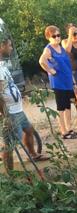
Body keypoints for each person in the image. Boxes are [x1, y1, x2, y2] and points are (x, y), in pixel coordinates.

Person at [0, 38, 47, 172]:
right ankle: (10, 174)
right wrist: (5, 113)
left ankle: (32, 154)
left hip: (18, 109)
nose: (11, 48)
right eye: (9, 46)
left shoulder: (2, 65)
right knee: (10, 144)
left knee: (29, 130)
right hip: (9, 112)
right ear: (1, 46)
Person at [39, 25, 77, 139]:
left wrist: (74, 82)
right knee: (61, 107)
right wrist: (50, 70)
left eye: (58, 35)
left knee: (68, 105)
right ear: (48, 37)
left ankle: (69, 128)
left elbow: (68, 67)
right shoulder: (48, 49)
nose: (57, 38)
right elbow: (42, 61)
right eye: (54, 36)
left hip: (68, 81)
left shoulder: (61, 48)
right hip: (58, 82)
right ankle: (63, 131)